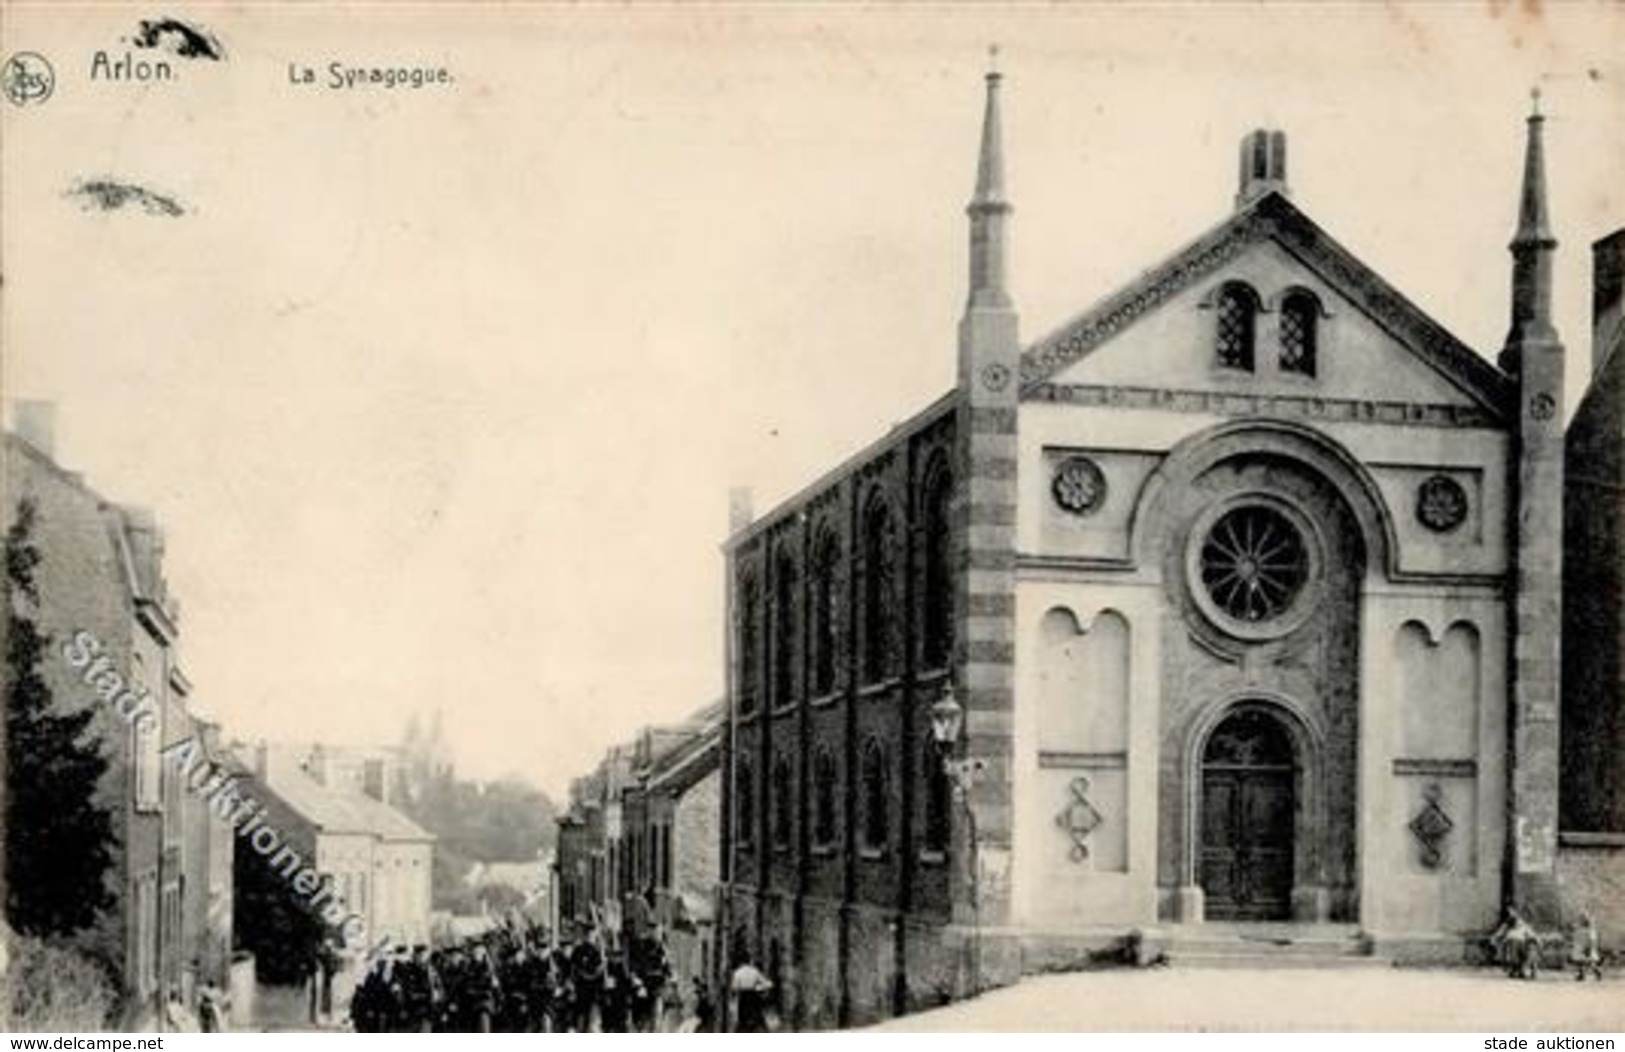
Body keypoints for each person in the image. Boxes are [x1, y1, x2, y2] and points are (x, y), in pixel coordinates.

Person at [729, 951, 774, 1033]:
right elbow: (768, 984)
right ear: (749, 960)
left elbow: (734, 988)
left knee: (742, 1022)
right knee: (757, 1021)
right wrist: (757, 988)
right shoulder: (755, 971)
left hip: (743, 999)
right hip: (754, 998)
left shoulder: (737, 973)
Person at [1493, 907, 1539, 980]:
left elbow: (1532, 934)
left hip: (1522, 946)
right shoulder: (1507, 926)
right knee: (1512, 945)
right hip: (1511, 947)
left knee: (1530, 950)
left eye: (1514, 914)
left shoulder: (1523, 926)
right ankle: (1515, 968)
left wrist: (1535, 940)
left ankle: (1522, 969)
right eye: (1510, 915)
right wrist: (1496, 938)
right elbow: (1499, 934)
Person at [1569, 913, 1603, 982]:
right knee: (1579, 962)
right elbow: (1576, 937)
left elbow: (1592, 940)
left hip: (1586, 947)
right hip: (1580, 947)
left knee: (1589, 961)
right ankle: (1581, 975)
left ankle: (1597, 972)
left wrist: (1589, 948)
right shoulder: (1580, 930)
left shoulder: (1590, 931)